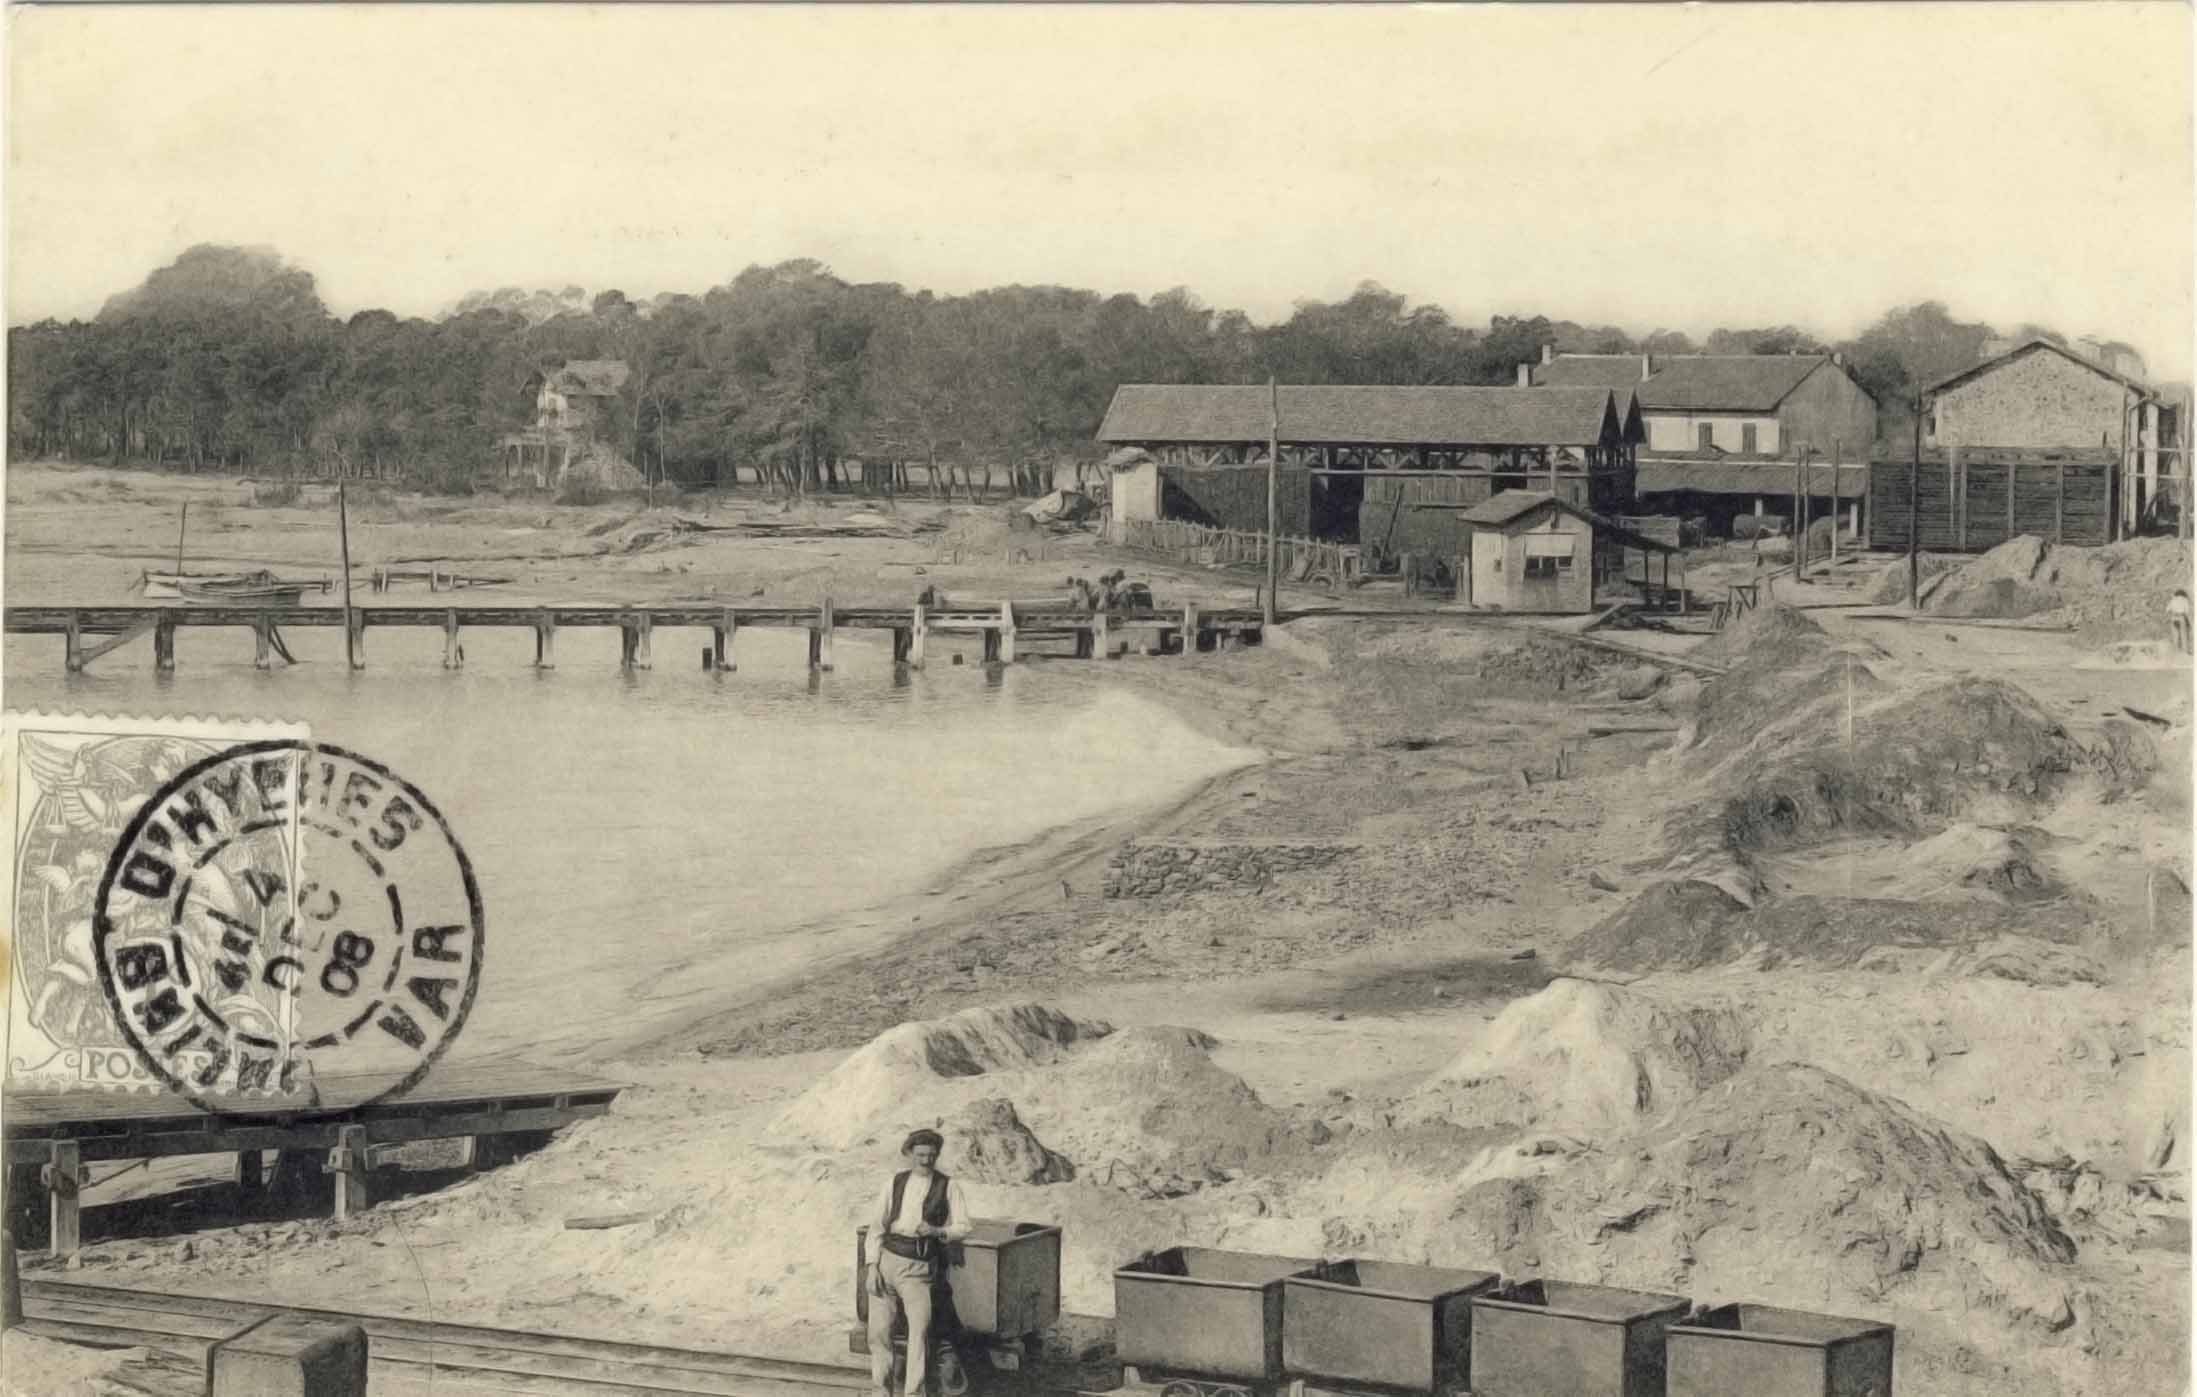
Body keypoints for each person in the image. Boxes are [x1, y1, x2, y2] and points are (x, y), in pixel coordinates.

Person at [865, 1128, 972, 1397]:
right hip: (887, 1261)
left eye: (931, 1155)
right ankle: (880, 1391)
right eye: (920, 1155)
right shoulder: (894, 1182)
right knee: (878, 1333)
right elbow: (876, 1227)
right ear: (910, 1154)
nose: (926, 1160)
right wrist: (872, 1266)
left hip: (919, 1269)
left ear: (937, 1155)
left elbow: (964, 1226)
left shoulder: (948, 1185)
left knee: (920, 1333)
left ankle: (914, 1393)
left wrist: (938, 1231)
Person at [2170, 588, 2192, 656]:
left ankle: (2175, 652)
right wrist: (2189, 621)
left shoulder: (2173, 600)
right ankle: (2185, 652)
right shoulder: (2185, 600)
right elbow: (2187, 611)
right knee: (2183, 635)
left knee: (2175, 636)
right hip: (2181, 617)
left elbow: (2167, 609)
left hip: (2173, 617)